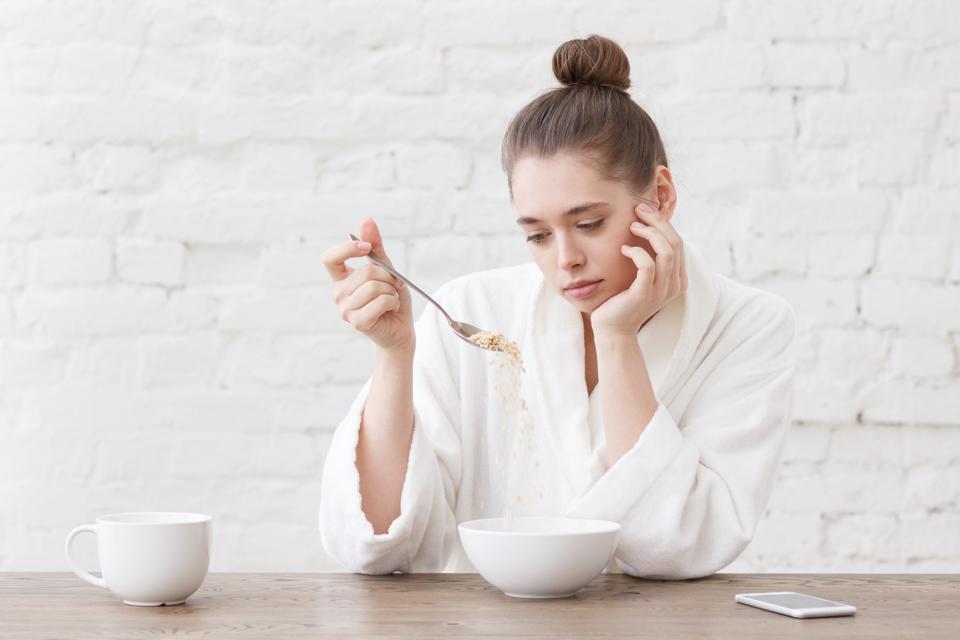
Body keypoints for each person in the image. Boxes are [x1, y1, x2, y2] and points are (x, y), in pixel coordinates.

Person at [318, 35, 797, 579]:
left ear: (660, 197)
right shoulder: (473, 308)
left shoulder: (747, 325)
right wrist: (394, 353)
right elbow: (381, 544)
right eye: (538, 235)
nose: (566, 259)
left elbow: (678, 546)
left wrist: (617, 338)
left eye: (589, 224)